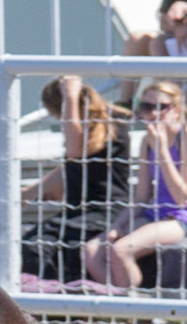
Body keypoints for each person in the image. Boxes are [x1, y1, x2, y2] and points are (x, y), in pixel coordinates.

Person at [82, 82, 187, 290]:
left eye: (160, 107)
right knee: (92, 250)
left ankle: (134, 307)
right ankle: (119, 300)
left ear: (176, 110)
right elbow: (142, 196)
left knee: (121, 250)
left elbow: (183, 198)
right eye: (146, 107)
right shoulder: (147, 141)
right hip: (160, 214)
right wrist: (117, 226)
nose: (152, 114)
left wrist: (162, 152)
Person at [21, 77, 131, 282]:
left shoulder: (112, 122)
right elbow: (70, 165)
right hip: (80, 210)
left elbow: (74, 152)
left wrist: (69, 98)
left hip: (106, 210)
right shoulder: (80, 132)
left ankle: (51, 295)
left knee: (37, 245)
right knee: (36, 242)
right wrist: (30, 192)